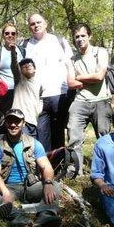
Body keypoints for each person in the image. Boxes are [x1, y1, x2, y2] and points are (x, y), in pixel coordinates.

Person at [0, 109, 62, 227]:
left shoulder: (34, 143)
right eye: (10, 121)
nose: (13, 125)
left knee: (55, 186)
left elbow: (46, 166)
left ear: (24, 123)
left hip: (30, 185)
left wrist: (47, 183)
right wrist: (5, 192)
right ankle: (16, 216)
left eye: (17, 121)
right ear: (5, 123)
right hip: (8, 186)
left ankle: (46, 214)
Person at [22, 13, 72, 151]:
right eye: (32, 24)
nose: (36, 26)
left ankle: (60, 164)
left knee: (58, 132)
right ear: (29, 27)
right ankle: (46, 165)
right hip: (38, 97)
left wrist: (71, 89)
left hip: (59, 94)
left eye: (39, 22)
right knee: (42, 132)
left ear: (46, 23)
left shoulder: (59, 41)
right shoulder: (26, 45)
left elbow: (70, 65)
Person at [66, 23, 112, 174]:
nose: (80, 39)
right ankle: (75, 170)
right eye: (77, 37)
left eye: (83, 36)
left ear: (89, 36)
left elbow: (100, 76)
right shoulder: (72, 59)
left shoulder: (100, 52)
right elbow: (71, 83)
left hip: (101, 100)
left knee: (104, 137)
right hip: (80, 101)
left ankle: (105, 169)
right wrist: (87, 79)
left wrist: (79, 77)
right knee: (74, 135)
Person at [0, 23, 25, 115]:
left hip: (20, 91)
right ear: (3, 35)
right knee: (6, 120)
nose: (10, 35)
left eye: (13, 33)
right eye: (7, 33)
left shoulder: (22, 50)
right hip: (4, 92)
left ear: (16, 35)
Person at [11, 58, 42, 138]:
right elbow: (14, 66)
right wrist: (13, 51)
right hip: (19, 120)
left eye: (30, 64)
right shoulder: (19, 80)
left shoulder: (40, 84)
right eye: (24, 65)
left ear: (35, 69)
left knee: (31, 148)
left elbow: (41, 100)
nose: (27, 65)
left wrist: (38, 112)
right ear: (20, 70)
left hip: (33, 122)